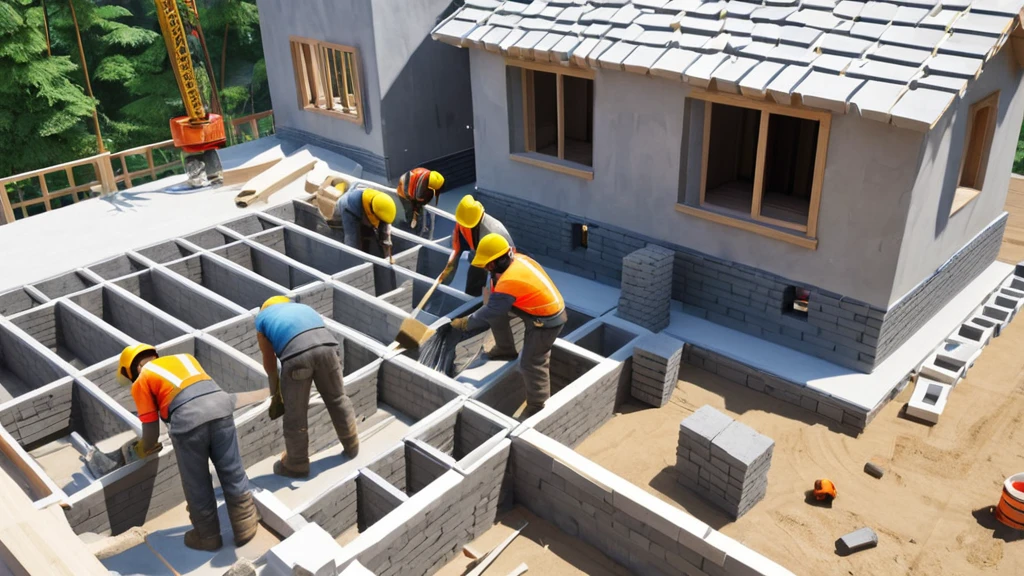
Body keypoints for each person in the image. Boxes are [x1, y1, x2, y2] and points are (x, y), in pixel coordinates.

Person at [116, 344, 258, 551]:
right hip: (222, 408)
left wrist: (140, 450)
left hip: (188, 422)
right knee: (231, 468)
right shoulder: (185, 358)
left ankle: (207, 536)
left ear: (133, 368)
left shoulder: (142, 380)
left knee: (197, 482)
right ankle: (245, 521)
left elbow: (151, 434)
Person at [449, 234, 566, 416]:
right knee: (496, 315)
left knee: (531, 362)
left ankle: (537, 405)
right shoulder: (517, 259)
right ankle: (505, 350)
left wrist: (466, 322)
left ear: (499, 261)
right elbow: (495, 304)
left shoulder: (510, 280)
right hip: (532, 308)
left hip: (547, 320)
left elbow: (491, 310)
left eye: (489, 265)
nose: (487, 268)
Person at [256, 296, 359, 478]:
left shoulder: (262, 319)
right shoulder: (303, 308)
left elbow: (269, 362)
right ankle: (351, 444)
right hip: (328, 350)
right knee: (337, 398)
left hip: (296, 357)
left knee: (295, 414)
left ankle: (296, 464)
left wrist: (276, 394)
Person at [442, 195, 515, 297]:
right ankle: (471, 300)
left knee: (493, 288)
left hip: (498, 261)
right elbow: (458, 242)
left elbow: (502, 267)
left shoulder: (492, 232)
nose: (462, 225)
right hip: (479, 255)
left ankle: (484, 304)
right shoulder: (466, 219)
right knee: (473, 284)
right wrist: (450, 265)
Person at [329, 187, 396, 261]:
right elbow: (351, 242)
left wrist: (387, 256)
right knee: (352, 242)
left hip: (362, 211)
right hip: (344, 217)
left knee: (371, 241)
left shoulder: (380, 204)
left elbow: (384, 233)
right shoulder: (349, 206)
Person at [396, 168, 445, 236]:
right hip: (404, 193)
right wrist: (415, 212)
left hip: (412, 188)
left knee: (420, 211)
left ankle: (420, 225)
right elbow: (415, 199)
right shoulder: (417, 187)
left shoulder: (430, 177)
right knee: (410, 211)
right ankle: (413, 230)